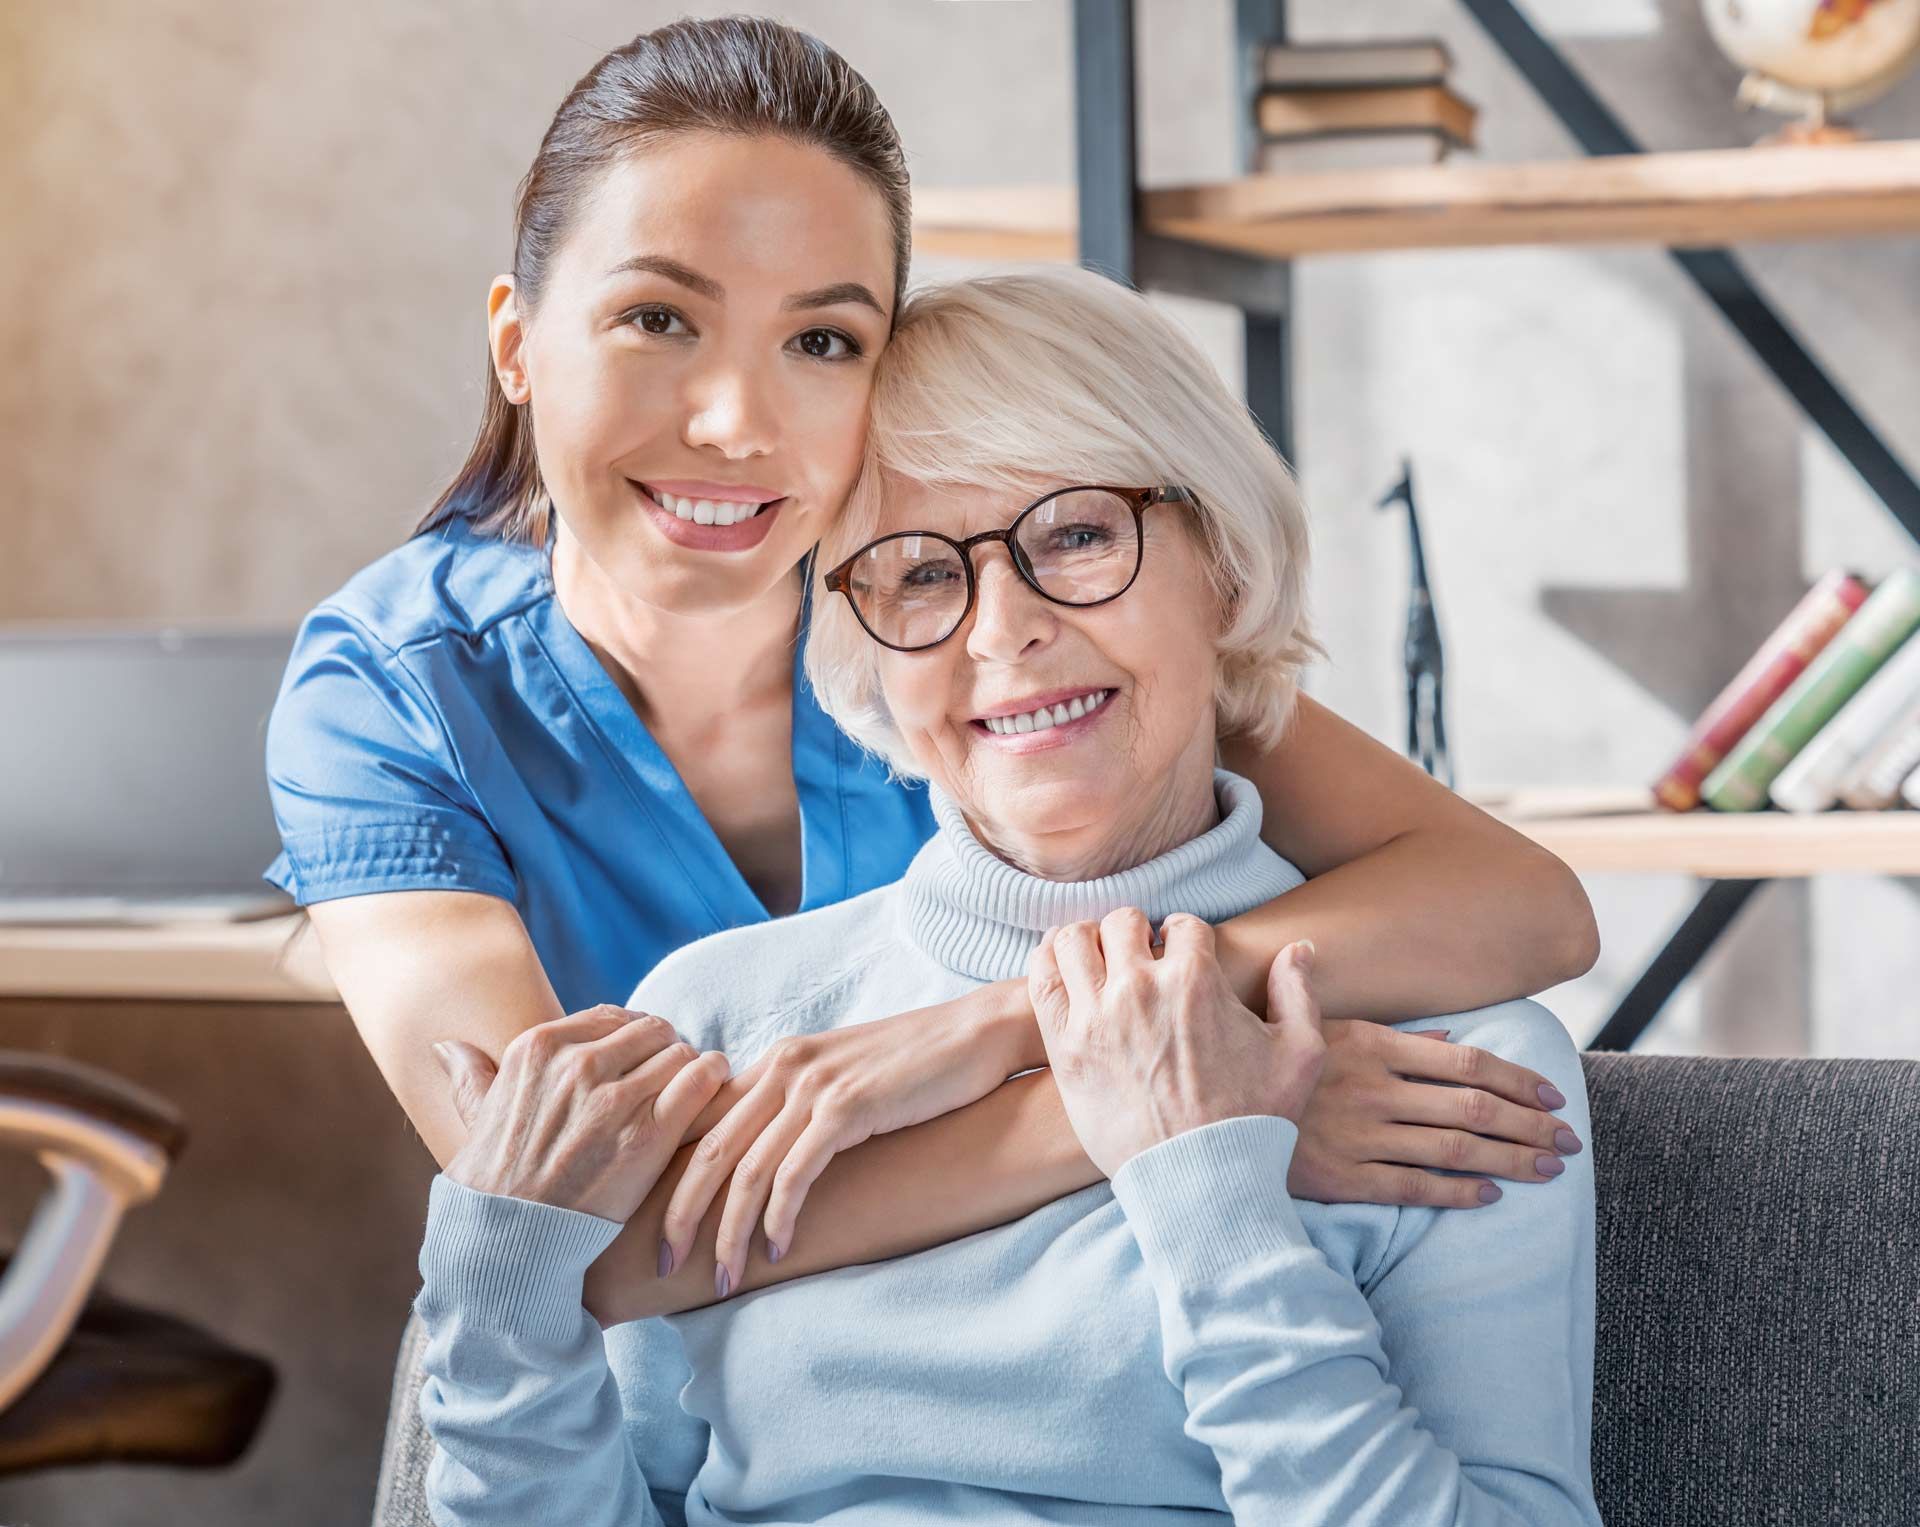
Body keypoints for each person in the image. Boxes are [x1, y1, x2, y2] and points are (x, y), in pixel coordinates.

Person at [265, 17, 1598, 1305]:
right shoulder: (394, 694)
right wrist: (1169, 1103)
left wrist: (1007, 1023)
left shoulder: (959, 627)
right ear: (516, 341)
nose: (735, 422)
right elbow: (586, 1244)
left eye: (822, 340)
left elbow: (1523, 900)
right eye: (658, 319)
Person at [416, 268, 1602, 1526]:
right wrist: (493, 1309)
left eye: (1080, 534)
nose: (1003, 628)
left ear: (1224, 566)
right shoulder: (721, 1015)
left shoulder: (1460, 1071)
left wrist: (1209, 1196)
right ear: (858, 636)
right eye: (919, 574)